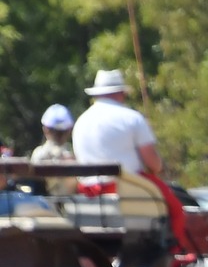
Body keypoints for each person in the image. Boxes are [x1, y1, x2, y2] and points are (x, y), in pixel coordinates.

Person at [72, 69, 191, 252]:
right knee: (176, 210)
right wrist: (157, 167)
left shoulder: (81, 121)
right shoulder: (132, 118)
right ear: (120, 93)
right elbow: (153, 164)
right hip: (129, 188)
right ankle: (174, 256)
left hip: (88, 193)